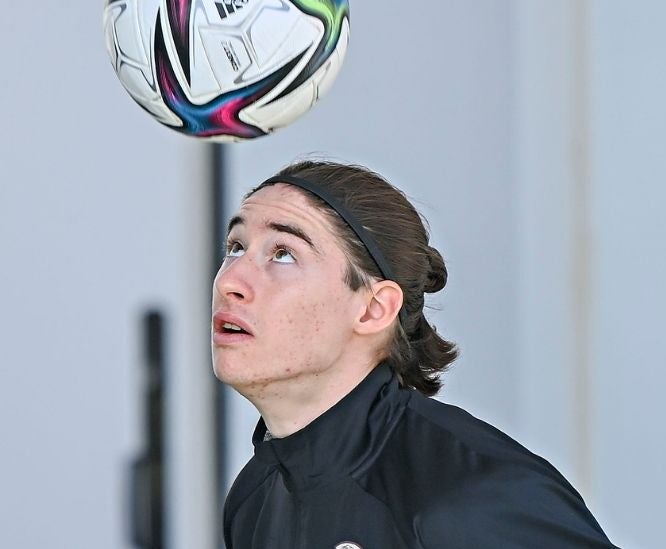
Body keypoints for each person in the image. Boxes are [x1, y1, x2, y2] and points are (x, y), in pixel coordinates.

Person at [213, 160, 617, 548]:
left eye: (283, 253)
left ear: (374, 309)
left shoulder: (468, 497)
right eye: (235, 247)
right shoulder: (255, 498)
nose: (231, 280)